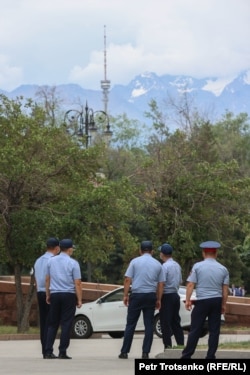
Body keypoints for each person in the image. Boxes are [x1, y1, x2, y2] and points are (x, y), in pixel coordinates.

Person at [181, 241, 229, 359]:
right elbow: (225, 290)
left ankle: (187, 355)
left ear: (204, 253)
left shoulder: (197, 266)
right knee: (214, 331)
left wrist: (187, 300)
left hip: (202, 300)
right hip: (216, 301)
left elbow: (191, 285)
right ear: (216, 253)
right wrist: (223, 304)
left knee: (195, 329)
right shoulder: (223, 269)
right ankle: (210, 356)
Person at [118, 240, 165, 360]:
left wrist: (125, 295)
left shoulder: (134, 262)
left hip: (137, 295)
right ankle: (145, 353)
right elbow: (160, 284)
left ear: (140, 250)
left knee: (130, 324)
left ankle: (124, 352)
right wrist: (158, 299)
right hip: (150, 296)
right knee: (149, 325)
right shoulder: (157, 264)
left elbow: (128, 279)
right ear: (152, 251)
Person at [44, 239, 82, 359]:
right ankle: (62, 351)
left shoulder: (51, 261)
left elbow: (47, 279)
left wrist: (48, 294)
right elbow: (78, 283)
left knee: (52, 323)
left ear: (60, 248)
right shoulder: (73, 263)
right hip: (68, 295)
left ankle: (48, 351)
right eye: (72, 248)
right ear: (70, 249)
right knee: (66, 324)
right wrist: (79, 299)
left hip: (55, 294)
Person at [34, 237, 60, 358]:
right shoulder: (53, 261)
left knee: (43, 321)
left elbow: (36, 279)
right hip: (49, 293)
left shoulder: (38, 261)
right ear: (57, 248)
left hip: (39, 292)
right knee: (51, 322)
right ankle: (48, 349)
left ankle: (44, 349)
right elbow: (49, 278)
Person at [158, 243, 184, 350]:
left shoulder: (164, 267)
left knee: (165, 322)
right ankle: (181, 344)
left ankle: (167, 346)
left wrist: (159, 298)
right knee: (176, 322)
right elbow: (180, 281)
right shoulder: (177, 265)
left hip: (167, 296)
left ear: (162, 254)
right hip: (175, 295)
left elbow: (162, 283)